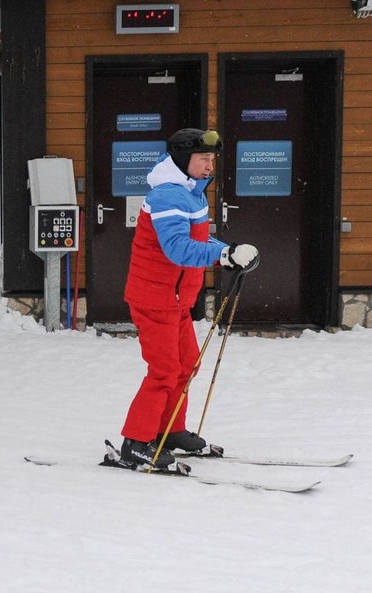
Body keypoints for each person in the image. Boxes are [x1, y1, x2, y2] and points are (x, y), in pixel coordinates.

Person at [120, 128, 258, 469]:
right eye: (203, 159)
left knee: (186, 364)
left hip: (177, 299)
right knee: (165, 370)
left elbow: (198, 240)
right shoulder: (169, 196)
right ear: (183, 161)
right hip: (154, 298)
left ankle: (170, 429)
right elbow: (178, 249)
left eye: (212, 159)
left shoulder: (193, 193)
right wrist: (223, 256)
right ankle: (136, 441)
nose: (210, 166)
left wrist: (229, 251)